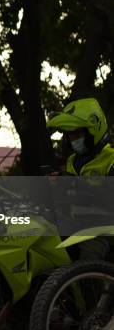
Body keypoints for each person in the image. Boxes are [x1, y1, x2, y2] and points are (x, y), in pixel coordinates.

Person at [47, 97, 114, 259]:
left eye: (77, 133)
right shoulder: (72, 161)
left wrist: (75, 184)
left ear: (93, 130)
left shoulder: (111, 158)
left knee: (88, 256)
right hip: (76, 225)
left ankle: (94, 284)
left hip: (104, 229)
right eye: (70, 135)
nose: (73, 139)